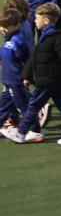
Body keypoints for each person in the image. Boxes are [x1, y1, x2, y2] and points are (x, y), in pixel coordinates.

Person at [12, 3, 61, 145]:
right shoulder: (47, 35)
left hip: (48, 78)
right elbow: (36, 57)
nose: (34, 21)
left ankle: (21, 132)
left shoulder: (55, 37)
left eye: (37, 18)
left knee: (33, 105)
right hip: (52, 78)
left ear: (46, 20)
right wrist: (27, 75)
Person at [0, 9, 32, 143]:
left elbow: (26, 61)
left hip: (15, 80)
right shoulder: (8, 39)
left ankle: (33, 130)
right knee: (3, 105)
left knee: (22, 107)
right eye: (2, 26)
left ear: (17, 25)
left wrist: (27, 77)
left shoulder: (18, 41)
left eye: (6, 26)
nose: (3, 29)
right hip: (7, 80)